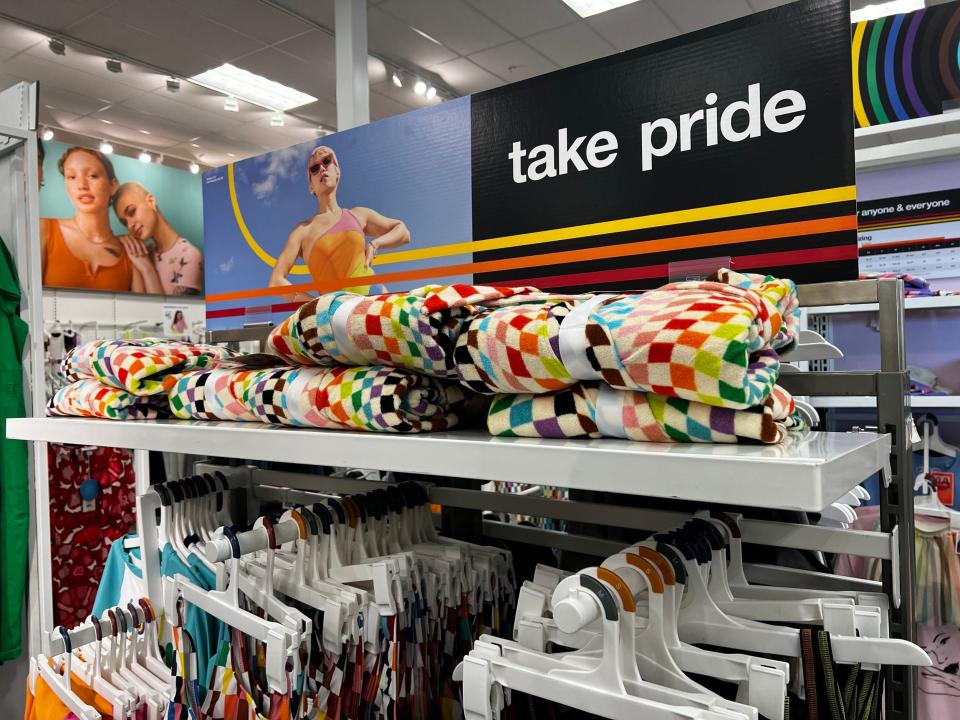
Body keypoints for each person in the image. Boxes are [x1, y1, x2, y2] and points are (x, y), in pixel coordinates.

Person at [268, 146, 410, 301]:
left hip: (377, 301)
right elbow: (276, 282)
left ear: (337, 172)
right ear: (311, 186)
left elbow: (403, 232)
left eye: (327, 161)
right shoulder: (302, 231)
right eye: (314, 169)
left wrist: (375, 245)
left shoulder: (359, 214)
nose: (321, 168)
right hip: (339, 318)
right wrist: (316, 306)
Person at [41, 147, 162, 293]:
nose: (82, 186)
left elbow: (144, 311)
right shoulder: (44, 230)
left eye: (92, 176)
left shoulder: (129, 250)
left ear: (113, 185)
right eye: (72, 177)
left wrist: (147, 268)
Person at [112, 182, 203, 296]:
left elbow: (173, 313)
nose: (130, 225)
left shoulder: (190, 256)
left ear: (151, 201)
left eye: (132, 212)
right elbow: (137, 308)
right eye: (124, 222)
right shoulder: (142, 255)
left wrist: (148, 270)